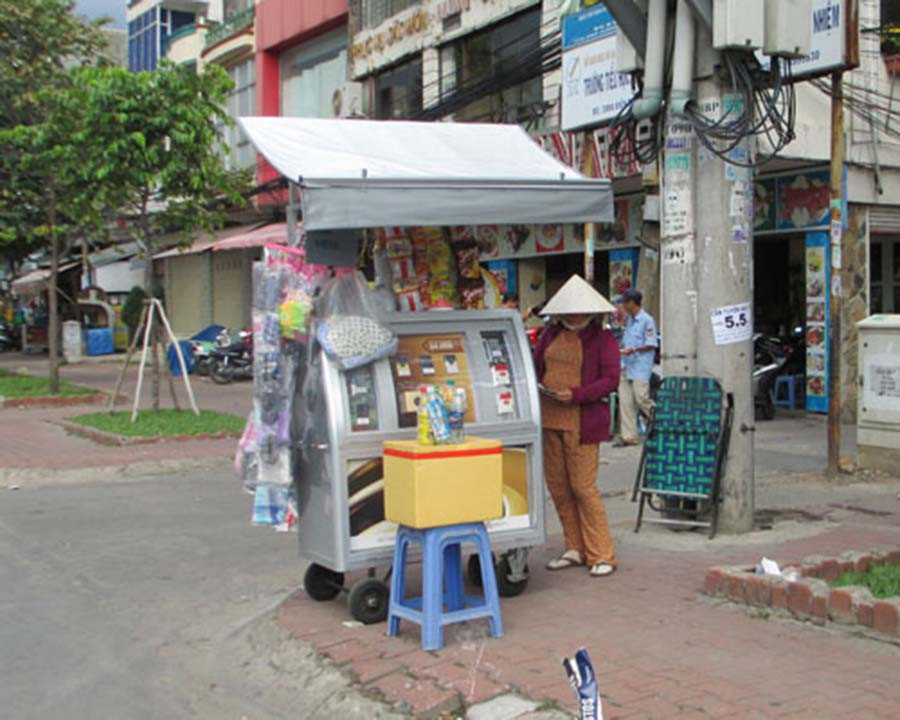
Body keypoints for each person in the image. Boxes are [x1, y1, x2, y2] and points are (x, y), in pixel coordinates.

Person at [533, 274, 620, 577]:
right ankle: (574, 547)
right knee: (558, 486)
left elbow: (611, 380)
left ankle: (601, 553)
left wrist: (577, 395)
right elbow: (536, 365)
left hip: (582, 420)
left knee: (583, 487)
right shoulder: (550, 334)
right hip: (549, 416)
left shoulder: (603, 338)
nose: (574, 315)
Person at [615, 288, 657, 447]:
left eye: (624, 302)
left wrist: (635, 349)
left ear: (632, 303)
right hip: (625, 365)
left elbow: (651, 343)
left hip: (640, 366)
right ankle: (629, 436)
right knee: (626, 402)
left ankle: (660, 419)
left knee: (641, 398)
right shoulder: (629, 320)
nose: (623, 306)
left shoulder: (647, 321)